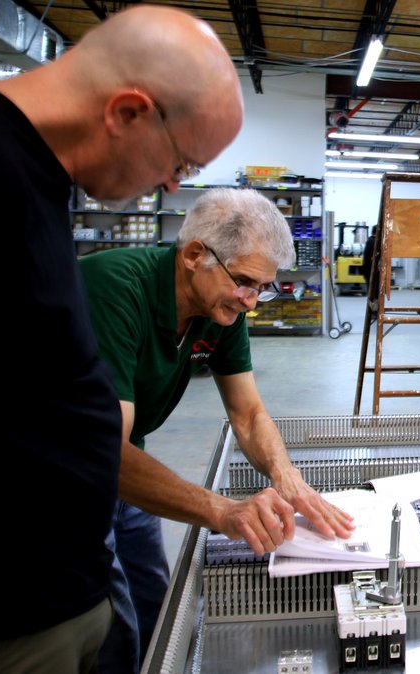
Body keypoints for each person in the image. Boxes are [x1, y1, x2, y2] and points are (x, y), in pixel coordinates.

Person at [0, 6, 243, 672]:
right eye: (181, 162)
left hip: (65, 590)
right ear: (128, 112)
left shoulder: (36, 178)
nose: (174, 185)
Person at [79, 188, 356, 669]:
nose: (252, 302)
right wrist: (223, 511)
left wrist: (286, 475)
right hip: (66, 472)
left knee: (155, 603)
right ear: (194, 255)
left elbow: (248, 414)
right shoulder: (114, 289)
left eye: (262, 288)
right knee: (110, 623)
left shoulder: (221, 309)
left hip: (128, 460)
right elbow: (104, 452)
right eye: (245, 282)